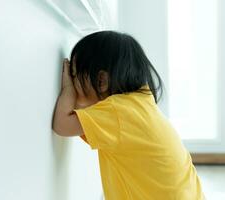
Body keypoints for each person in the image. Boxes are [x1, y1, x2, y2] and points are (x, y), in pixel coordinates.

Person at [52, 30, 205, 199]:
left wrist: (67, 90)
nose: (71, 81)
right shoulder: (140, 103)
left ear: (101, 81)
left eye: (73, 75)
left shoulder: (117, 112)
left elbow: (62, 125)